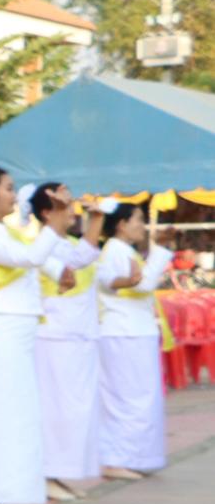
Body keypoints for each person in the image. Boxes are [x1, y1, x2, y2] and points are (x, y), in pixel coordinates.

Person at [0, 165, 70, 504]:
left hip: (15, 331)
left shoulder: (1, 232)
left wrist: (58, 270)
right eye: (8, 188)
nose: (13, 194)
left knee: (16, 415)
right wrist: (52, 221)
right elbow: (29, 257)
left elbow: (34, 258)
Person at [28, 181, 105, 501]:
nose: (72, 205)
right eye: (64, 201)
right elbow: (67, 270)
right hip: (55, 336)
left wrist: (97, 215)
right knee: (58, 409)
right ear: (47, 211)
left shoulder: (65, 243)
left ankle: (60, 474)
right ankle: (46, 473)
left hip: (79, 336)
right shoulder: (40, 247)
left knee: (79, 409)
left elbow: (84, 253)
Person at [95, 203, 171, 480]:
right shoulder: (114, 251)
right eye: (138, 220)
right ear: (121, 224)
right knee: (126, 398)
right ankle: (114, 458)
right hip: (123, 332)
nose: (142, 226)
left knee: (140, 397)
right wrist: (160, 254)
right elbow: (139, 284)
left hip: (135, 332)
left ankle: (134, 456)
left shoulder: (125, 251)